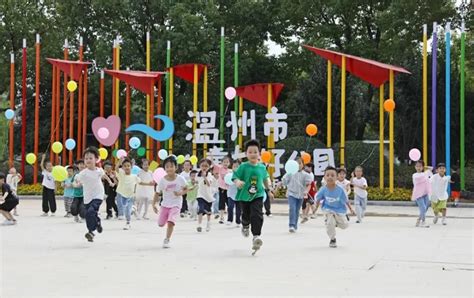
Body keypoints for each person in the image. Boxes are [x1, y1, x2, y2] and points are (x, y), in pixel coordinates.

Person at [232, 139, 274, 255]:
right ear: (246, 154)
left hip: (258, 195)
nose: (253, 154)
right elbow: (234, 176)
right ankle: (245, 225)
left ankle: (256, 236)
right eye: (250, 152)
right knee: (246, 215)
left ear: (259, 153)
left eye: (255, 152)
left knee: (257, 214)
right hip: (244, 196)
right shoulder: (243, 166)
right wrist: (238, 182)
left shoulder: (262, 167)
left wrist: (269, 191)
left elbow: (265, 179)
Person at [74, 147, 113, 242]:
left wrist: (110, 182)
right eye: (86, 158)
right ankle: (97, 223)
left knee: (91, 212)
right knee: (89, 214)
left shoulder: (99, 170)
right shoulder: (83, 173)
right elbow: (77, 182)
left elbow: (104, 175)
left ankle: (91, 232)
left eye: (90, 158)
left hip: (98, 195)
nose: (88, 160)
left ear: (96, 159)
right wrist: (75, 185)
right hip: (88, 197)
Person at [152, 156, 188, 248]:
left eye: (171, 166)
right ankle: (164, 221)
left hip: (176, 204)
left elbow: (186, 189)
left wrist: (180, 193)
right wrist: (153, 204)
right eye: (167, 167)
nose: (169, 168)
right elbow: (157, 193)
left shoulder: (180, 179)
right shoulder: (162, 181)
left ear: (176, 167)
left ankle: (167, 239)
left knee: (171, 222)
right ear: (164, 169)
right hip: (165, 204)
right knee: (160, 224)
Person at [315, 166, 355, 248]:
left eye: (332, 175)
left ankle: (340, 219)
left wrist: (351, 209)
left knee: (344, 226)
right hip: (328, 209)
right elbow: (318, 199)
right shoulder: (323, 189)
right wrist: (315, 208)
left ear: (336, 177)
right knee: (330, 223)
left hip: (339, 210)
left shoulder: (340, 189)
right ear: (324, 177)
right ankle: (332, 239)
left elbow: (346, 200)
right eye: (328, 175)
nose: (330, 177)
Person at [282, 156, 312, 233]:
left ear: (303, 165)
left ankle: (295, 225)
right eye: (296, 163)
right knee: (292, 209)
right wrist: (284, 179)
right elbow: (284, 182)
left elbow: (308, 184)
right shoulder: (290, 173)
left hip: (300, 195)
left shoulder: (305, 175)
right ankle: (291, 225)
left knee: (297, 210)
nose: (298, 165)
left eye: (300, 163)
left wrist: (306, 191)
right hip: (291, 194)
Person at [115, 157, 141, 230]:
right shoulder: (121, 174)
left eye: (128, 166)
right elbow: (116, 168)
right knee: (123, 208)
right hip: (122, 195)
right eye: (125, 166)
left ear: (131, 167)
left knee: (127, 210)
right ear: (122, 167)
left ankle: (128, 223)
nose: (127, 167)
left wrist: (149, 183)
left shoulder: (134, 176)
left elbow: (140, 182)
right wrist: (119, 162)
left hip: (130, 196)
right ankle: (133, 209)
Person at [196, 158, 218, 232]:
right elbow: (196, 183)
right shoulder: (197, 175)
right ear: (200, 166)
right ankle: (199, 224)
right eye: (202, 166)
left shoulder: (210, 175)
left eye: (206, 166)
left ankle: (208, 223)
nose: (204, 167)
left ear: (209, 167)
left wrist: (204, 177)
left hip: (208, 196)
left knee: (208, 211)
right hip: (200, 195)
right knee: (201, 209)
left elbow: (208, 184)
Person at [411, 160, 432, 228]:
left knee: (425, 208)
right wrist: (427, 171)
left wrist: (426, 168)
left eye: (420, 166)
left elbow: (431, 171)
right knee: (423, 208)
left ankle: (418, 220)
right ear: (415, 167)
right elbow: (419, 178)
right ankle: (423, 221)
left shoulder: (425, 173)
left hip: (425, 193)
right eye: (417, 166)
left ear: (422, 167)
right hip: (418, 194)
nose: (418, 167)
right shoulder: (414, 175)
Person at [214, 156, 232, 224]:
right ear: (221, 163)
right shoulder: (220, 168)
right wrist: (212, 156)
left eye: (227, 162)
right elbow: (214, 164)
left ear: (229, 163)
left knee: (229, 204)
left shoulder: (230, 171)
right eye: (224, 162)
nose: (226, 163)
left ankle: (229, 218)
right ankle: (221, 217)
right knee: (221, 203)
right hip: (222, 189)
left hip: (229, 190)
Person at [227, 160, 242, 227]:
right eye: (234, 166)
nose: (236, 168)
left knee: (238, 209)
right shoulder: (229, 174)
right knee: (230, 207)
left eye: (237, 166)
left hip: (239, 194)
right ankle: (230, 220)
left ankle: (238, 221)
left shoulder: (242, 174)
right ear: (232, 167)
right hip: (230, 194)